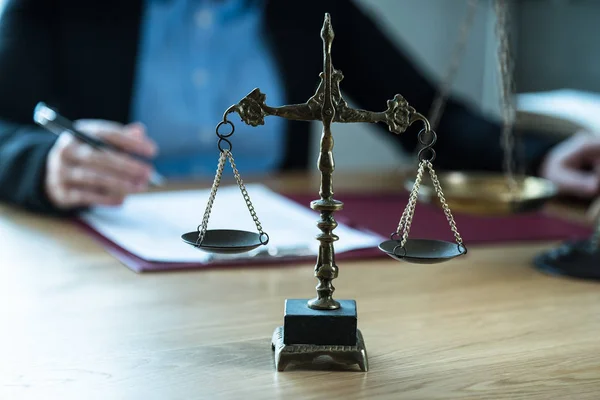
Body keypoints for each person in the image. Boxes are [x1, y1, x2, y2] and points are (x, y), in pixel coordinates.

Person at [0, 0, 597, 216]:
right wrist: (42, 163)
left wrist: (547, 158)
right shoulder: (54, 8)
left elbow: (429, 120)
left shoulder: (310, 8)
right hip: (91, 258)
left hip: (261, 259)